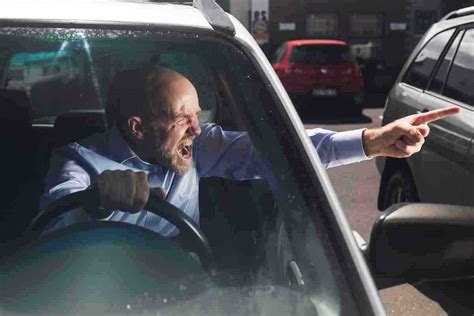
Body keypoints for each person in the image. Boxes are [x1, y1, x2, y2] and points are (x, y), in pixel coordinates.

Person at [41, 66, 459, 236]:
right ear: (137, 127)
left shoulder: (197, 148)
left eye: (197, 114)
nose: (197, 127)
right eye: (182, 118)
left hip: (181, 295)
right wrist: (95, 201)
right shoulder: (78, 162)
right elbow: (54, 216)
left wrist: (372, 141)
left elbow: (286, 150)